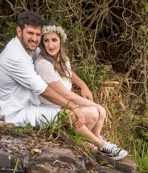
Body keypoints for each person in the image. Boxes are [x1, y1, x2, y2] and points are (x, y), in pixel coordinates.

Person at [0, 11, 125, 159]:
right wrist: (72, 107)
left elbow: (60, 66)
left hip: (33, 104)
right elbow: (44, 90)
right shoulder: (15, 57)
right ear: (19, 31)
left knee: (83, 112)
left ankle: (92, 141)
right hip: (19, 112)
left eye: (37, 35)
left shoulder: (29, 48)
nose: (34, 39)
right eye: (30, 33)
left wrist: (82, 84)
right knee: (72, 114)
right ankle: (101, 146)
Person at [36, 23, 127, 160]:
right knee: (94, 112)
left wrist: (83, 85)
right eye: (46, 40)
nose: (50, 45)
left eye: (54, 40)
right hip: (51, 108)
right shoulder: (44, 64)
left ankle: (92, 141)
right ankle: (99, 144)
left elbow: (68, 72)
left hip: (64, 104)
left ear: (61, 40)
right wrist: (95, 105)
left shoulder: (62, 59)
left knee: (96, 112)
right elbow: (65, 94)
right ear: (42, 43)